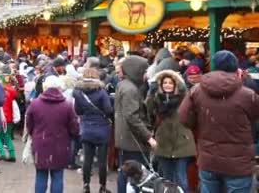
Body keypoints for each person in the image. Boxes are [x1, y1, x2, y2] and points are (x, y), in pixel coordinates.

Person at [179, 50, 259, 193]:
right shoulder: (247, 94)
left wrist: (200, 124)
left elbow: (184, 118)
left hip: (209, 159)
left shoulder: (196, 91)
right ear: (235, 67)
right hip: (239, 162)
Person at [26, 75, 80, 193]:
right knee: (58, 175)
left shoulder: (35, 104)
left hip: (40, 144)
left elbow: (29, 124)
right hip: (60, 145)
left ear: (45, 87)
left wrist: (34, 134)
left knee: (41, 175)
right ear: (59, 88)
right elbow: (74, 128)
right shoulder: (67, 106)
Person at [145, 69, 195, 192]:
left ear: (176, 84)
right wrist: (150, 94)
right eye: (164, 83)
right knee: (166, 180)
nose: (167, 85)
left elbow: (193, 117)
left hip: (182, 143)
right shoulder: (156, 99)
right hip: (163, 144)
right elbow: (147, 112)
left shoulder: (185, 98)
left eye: (170, 82)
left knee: (181, 178)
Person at [114, 55, 153, 193]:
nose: (146, 74)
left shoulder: (124, 85)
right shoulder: (130, 89)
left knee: (124, 171)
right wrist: (149, 137)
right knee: (133, 174)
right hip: (133, 140)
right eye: (144, 71)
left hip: (127, 139)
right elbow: (132, 117)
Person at [72, 68, 113, 193]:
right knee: (102, 160)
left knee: (87, 159)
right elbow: (108, 110)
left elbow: (77, 111)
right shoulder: (102, 92)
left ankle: (86, 185)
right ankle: (102, 187)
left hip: (87, 127)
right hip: (102, 127)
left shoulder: (78, 93)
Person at [0, 74, 17, 163]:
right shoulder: (11, 91)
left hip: (1, 117)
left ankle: (2, 153)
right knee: (7, 136)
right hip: (9, 118)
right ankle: (12, 155)